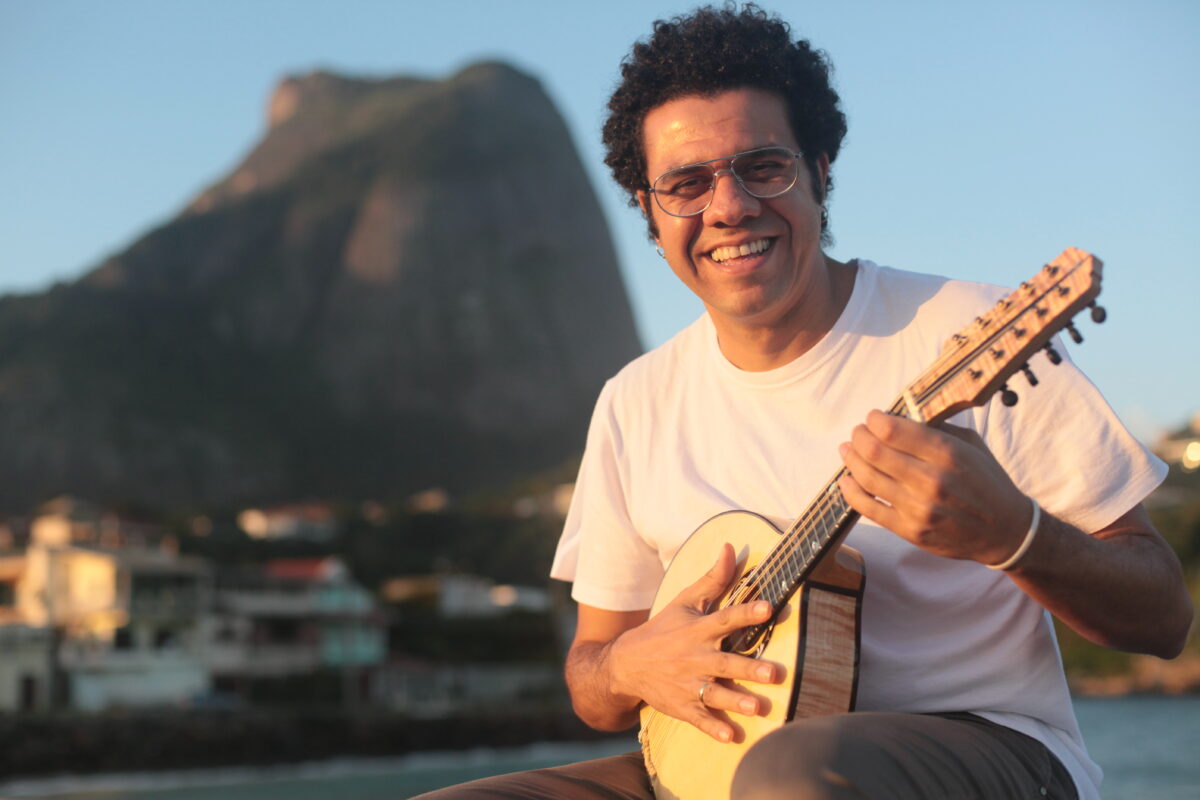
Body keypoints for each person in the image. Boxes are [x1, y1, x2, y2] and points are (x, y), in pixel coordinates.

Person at [416, 5, 1192, 798]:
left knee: (789, 776)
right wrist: (626, 666)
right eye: (686, 184)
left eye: (763, 168)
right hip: (703, 768)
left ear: (820, 172)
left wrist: (1014, 534)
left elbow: (1164, 617)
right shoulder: (634, 402)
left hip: (989, 749)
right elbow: (591, 679)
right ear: (648, 210)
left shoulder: (967, 331)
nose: (729, 207)